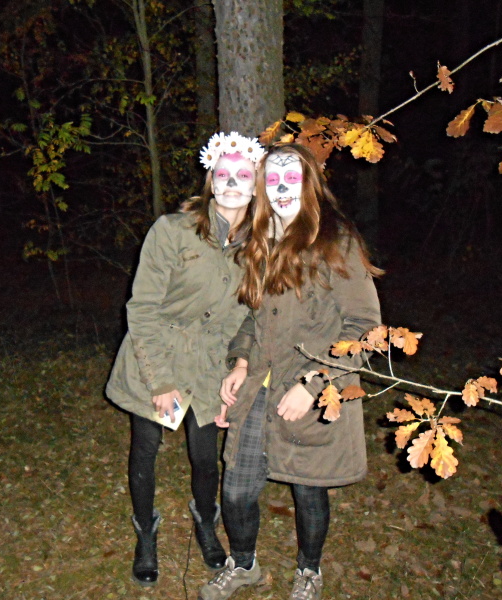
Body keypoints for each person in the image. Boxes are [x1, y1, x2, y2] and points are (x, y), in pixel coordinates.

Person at [198, 143, 383, 600]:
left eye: (293, 179)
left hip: (313, 386)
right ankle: (243, 565)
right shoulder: (259, 243)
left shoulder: (337, 242)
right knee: (237, 489)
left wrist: (312, 383)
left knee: (308, 490)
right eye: (274, 180)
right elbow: (252, 316)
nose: (282, 189)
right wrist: (241, 361)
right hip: (260, 383)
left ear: (311, 184)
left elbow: (366, 330)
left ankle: (309, 571)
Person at [106, 132, 265, 587]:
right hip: (156, 356)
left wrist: (239, 364)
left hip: (211, 366)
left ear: (255, 185)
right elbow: (143, 307)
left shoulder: (260, 246)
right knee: (147, 448)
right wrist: (159, 382)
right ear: (210, 179)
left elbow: (253, 317)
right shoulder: (173, 230)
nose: (231, 182)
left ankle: (205, 524)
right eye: (223, 173)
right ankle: (146, 534)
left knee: (204, 456)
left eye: (242, 175)